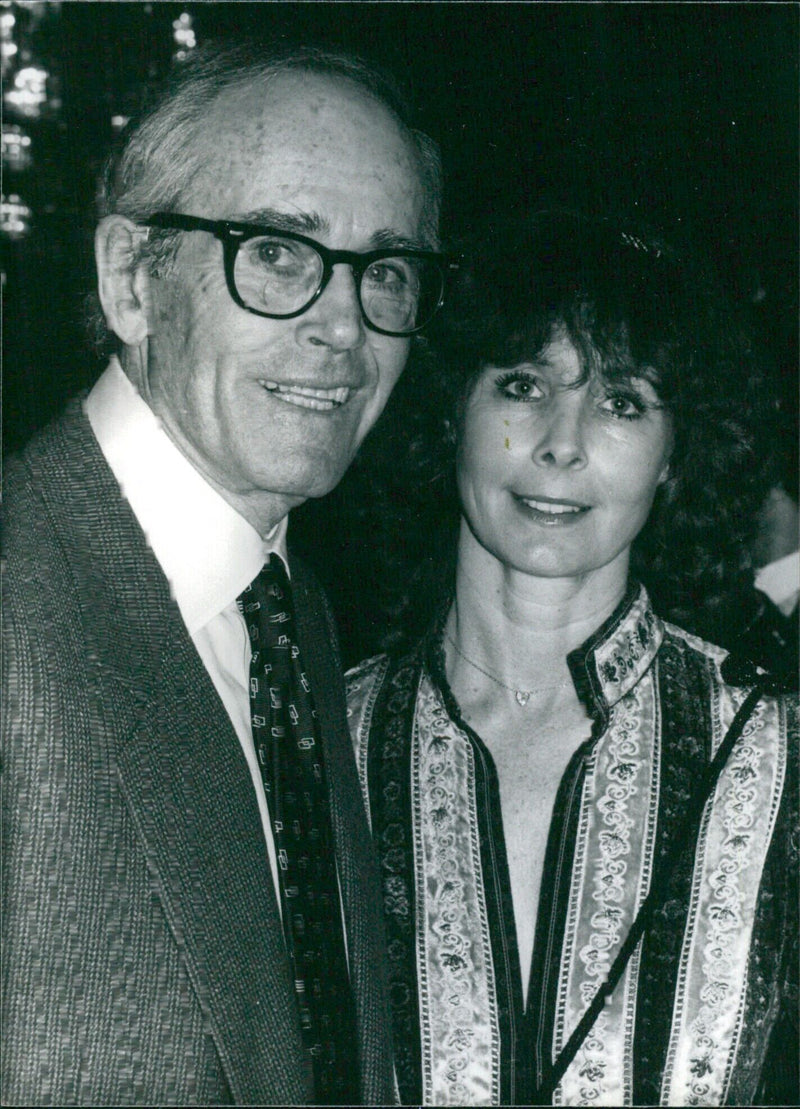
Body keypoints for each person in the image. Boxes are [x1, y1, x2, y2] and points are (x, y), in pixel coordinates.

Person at [1, 41, 448, 1105]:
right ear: (130, 279)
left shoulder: (292, 617)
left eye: (383, 269)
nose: (343, 324)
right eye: (279, 252)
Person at [346, 211, 798, 1106]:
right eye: (522, 384)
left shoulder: (773, 748)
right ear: (453, 414)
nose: (562, 441)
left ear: (674, 456)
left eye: (622, 400)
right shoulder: (329, 739)